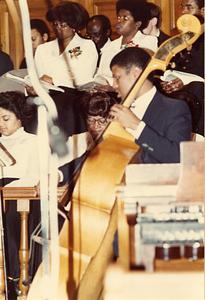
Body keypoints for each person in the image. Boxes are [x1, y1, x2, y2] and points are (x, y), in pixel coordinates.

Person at [109, 47, 192, 163]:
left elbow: (177, 157)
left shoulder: (174, 108)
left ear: (136, 74)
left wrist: (136, 126)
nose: (114, 85)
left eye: (117, 78)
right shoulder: (120, 108)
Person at [160, 0, 204, 135]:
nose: (183, 11)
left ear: (203, 11)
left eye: (189, 7)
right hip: (180, 97)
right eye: (182, 6)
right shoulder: (179, 39)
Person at [34, 1, 98, 88]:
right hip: (45, 96)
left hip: (73, 96)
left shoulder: (86, 46)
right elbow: (39, 77)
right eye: (56, 24)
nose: (58, 28)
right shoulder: (43, 49)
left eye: (63, 25)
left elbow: (84, 78)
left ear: (73, 26)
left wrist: (54, 81)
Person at [94, 0, 158, 86]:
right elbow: (100, 75)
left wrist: (114, 87)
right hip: (106, 94)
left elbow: (142, 75)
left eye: (125, 18)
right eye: (119, 18)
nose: (119, 21)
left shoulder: (148, 41)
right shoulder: (111, 45)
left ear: (137, 24)